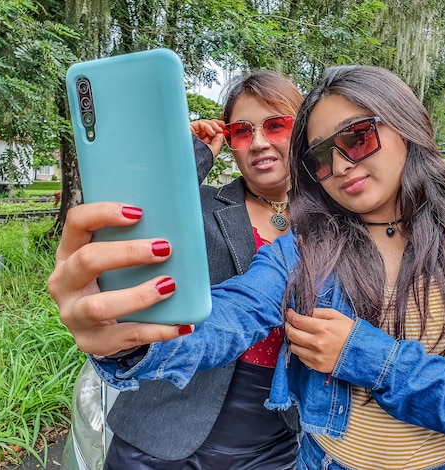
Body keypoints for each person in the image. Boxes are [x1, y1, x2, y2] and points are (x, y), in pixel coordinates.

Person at [51, 65, 445, 470]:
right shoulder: (307, 248)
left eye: (356, 138)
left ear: (407, 127)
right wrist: (132, 335)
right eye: (320, 157)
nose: (342, 165)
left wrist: (365, 356)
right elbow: (236, 309)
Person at [52, 70, 304, 469]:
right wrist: (192, 153)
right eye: (241, 131)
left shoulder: (330, 224)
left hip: (271, 436)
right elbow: (135, 216)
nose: (258, 143)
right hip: (161, 425)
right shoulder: (199, 206)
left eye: (276, 126)